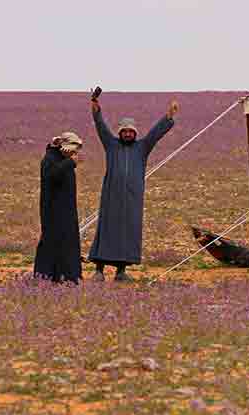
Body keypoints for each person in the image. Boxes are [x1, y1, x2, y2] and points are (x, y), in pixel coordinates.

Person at [88, 96, 179, 282]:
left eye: (131, 131)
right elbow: (101, 127)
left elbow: (155, 134)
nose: (128, 134)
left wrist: (169, 116)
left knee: (127, 233)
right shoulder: (111, 145)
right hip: (111, 197)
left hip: (132, 199)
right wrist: (96, 109)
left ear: (135, 133)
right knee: (107, 230)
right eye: (125, 131)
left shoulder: (142, 148)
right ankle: (99, 270)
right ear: (120, 133)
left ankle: (121, 272)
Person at [34, 132, 83, 283]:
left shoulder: (64, 159)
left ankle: (69, 277)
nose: (74, 154)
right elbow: (52, 176)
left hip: (67, 210)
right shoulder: (50, 159)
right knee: (51, 242)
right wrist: (70, 163)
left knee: (68, 242)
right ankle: (46, 276)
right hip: (53, 211)